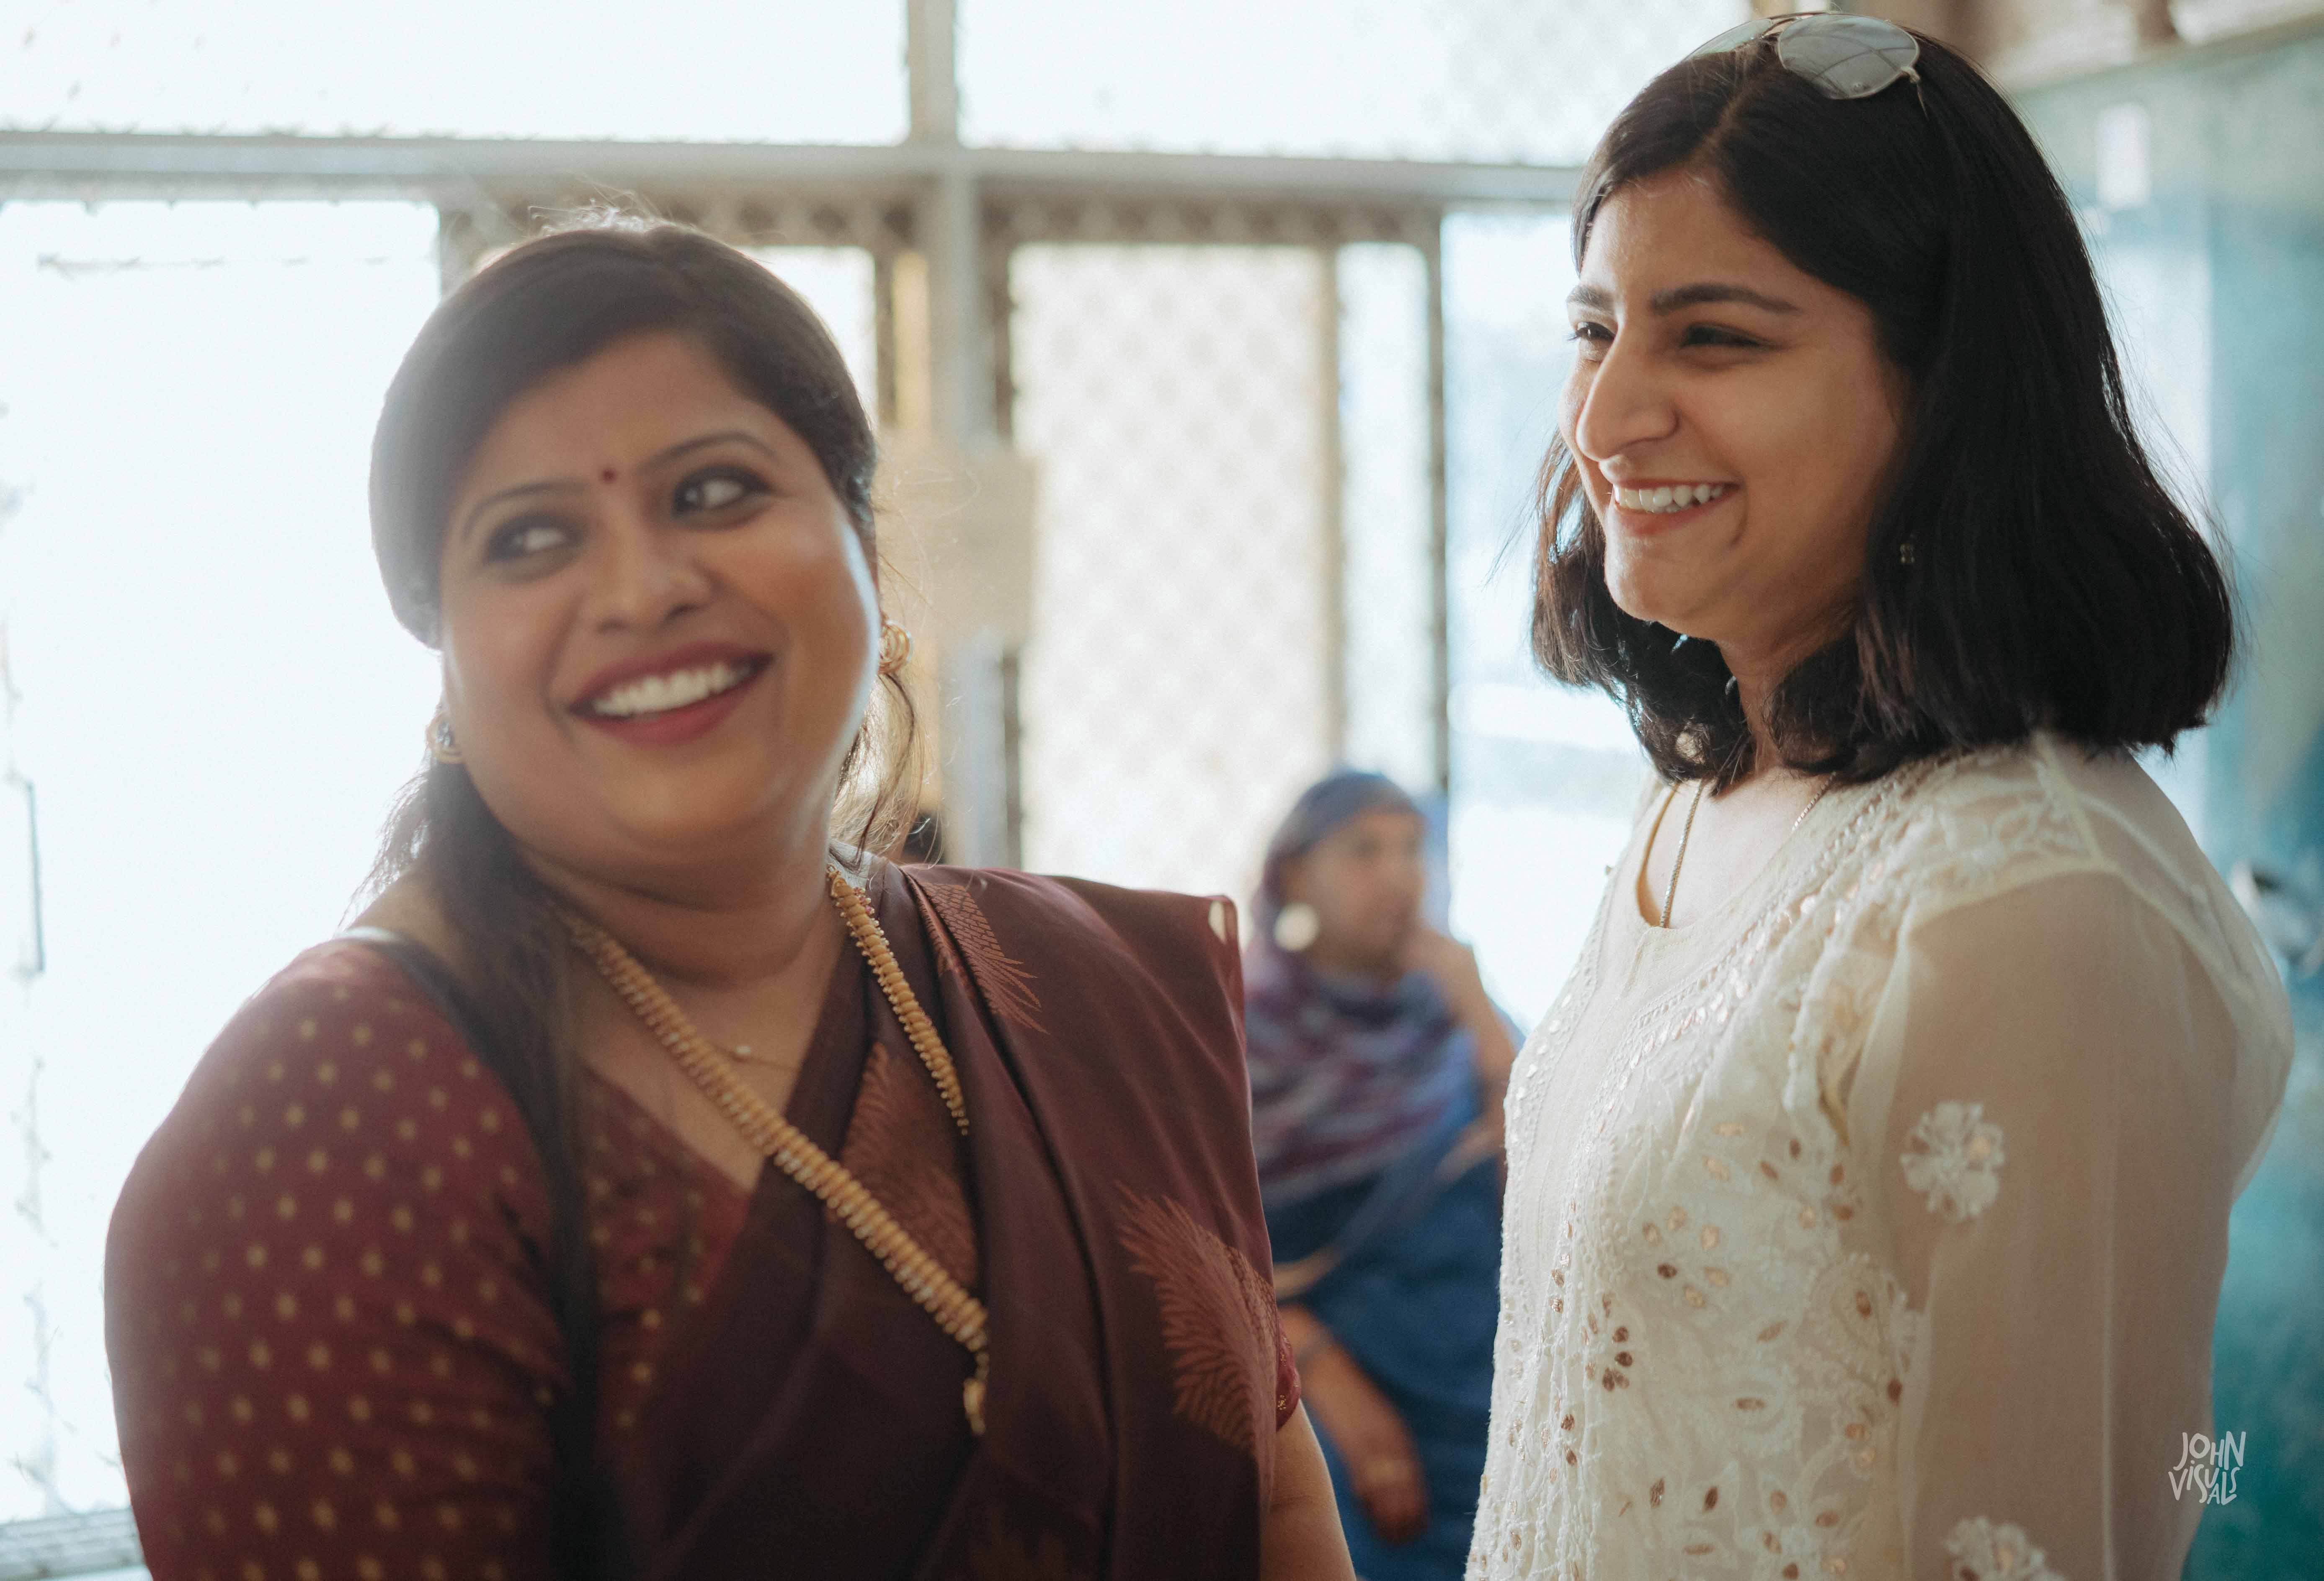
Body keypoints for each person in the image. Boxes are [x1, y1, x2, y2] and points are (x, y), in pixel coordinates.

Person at [104, 223, 1353, 1581]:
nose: (643, 588)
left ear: (860, 539)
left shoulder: (1077, 984)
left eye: (712, 492)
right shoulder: (332, 1119)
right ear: (445, 651)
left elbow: (1274, 1503)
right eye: (529, 538)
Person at [1468, 16, 2293, 1581]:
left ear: (1946, 389)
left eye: (1714, 338)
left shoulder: (2025, 900)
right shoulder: (1711, 790)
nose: (1607, 415)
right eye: (1595, 327)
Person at [1247, 771, 1515, 1579]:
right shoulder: (1240, 1024)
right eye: (1364, 850)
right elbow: (1207, 1249)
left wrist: (1480, 1015)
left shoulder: (1453, 1019)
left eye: (1411, 849)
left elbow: (1542, 1194)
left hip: (1479, 1366)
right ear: (1296, 874)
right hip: (1325, 1371)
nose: (1399, 876)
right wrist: (1324, 1376)